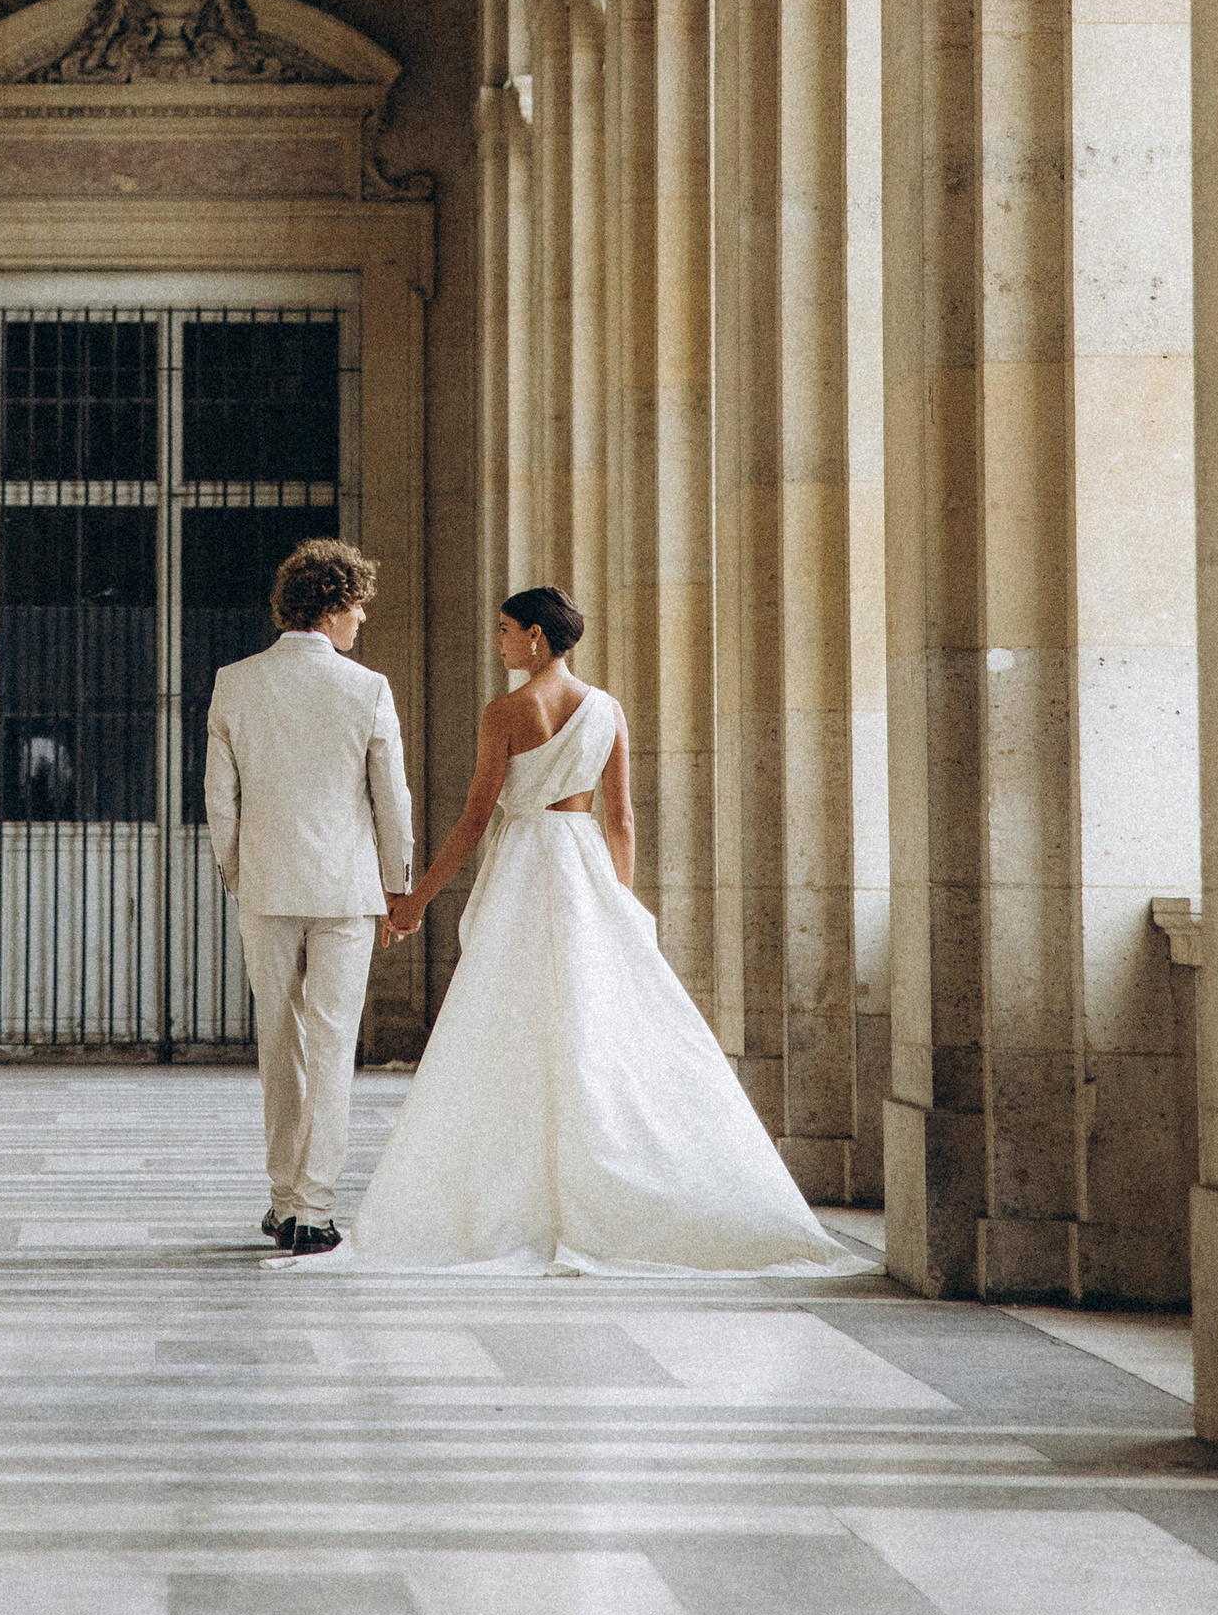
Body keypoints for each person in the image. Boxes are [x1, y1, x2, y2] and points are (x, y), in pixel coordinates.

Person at [355, 586, 861, 1272]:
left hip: (527, 867)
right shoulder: (607, 709)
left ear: (536, 637)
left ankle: (518, 1189)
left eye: (505, 630)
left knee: (512, 1018)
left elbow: (475, 820)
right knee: (592, 1023)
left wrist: (418, 899)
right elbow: (620, 819)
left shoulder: (507, 710)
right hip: (584, 865)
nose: (498, 641)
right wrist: (621, 903)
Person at [203, 538, 413, 1260]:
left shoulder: (235, 682)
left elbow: (219, 799)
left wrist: (236, 871)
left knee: (278, 1042)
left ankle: (282, 1196)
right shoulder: (368, 688)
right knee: (331, 1046)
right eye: (357, 608)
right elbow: (392, 799)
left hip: (266, 884)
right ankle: (313, 1211)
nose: (361, 623)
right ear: (332, 608)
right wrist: (397, 884)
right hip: (346, 889)